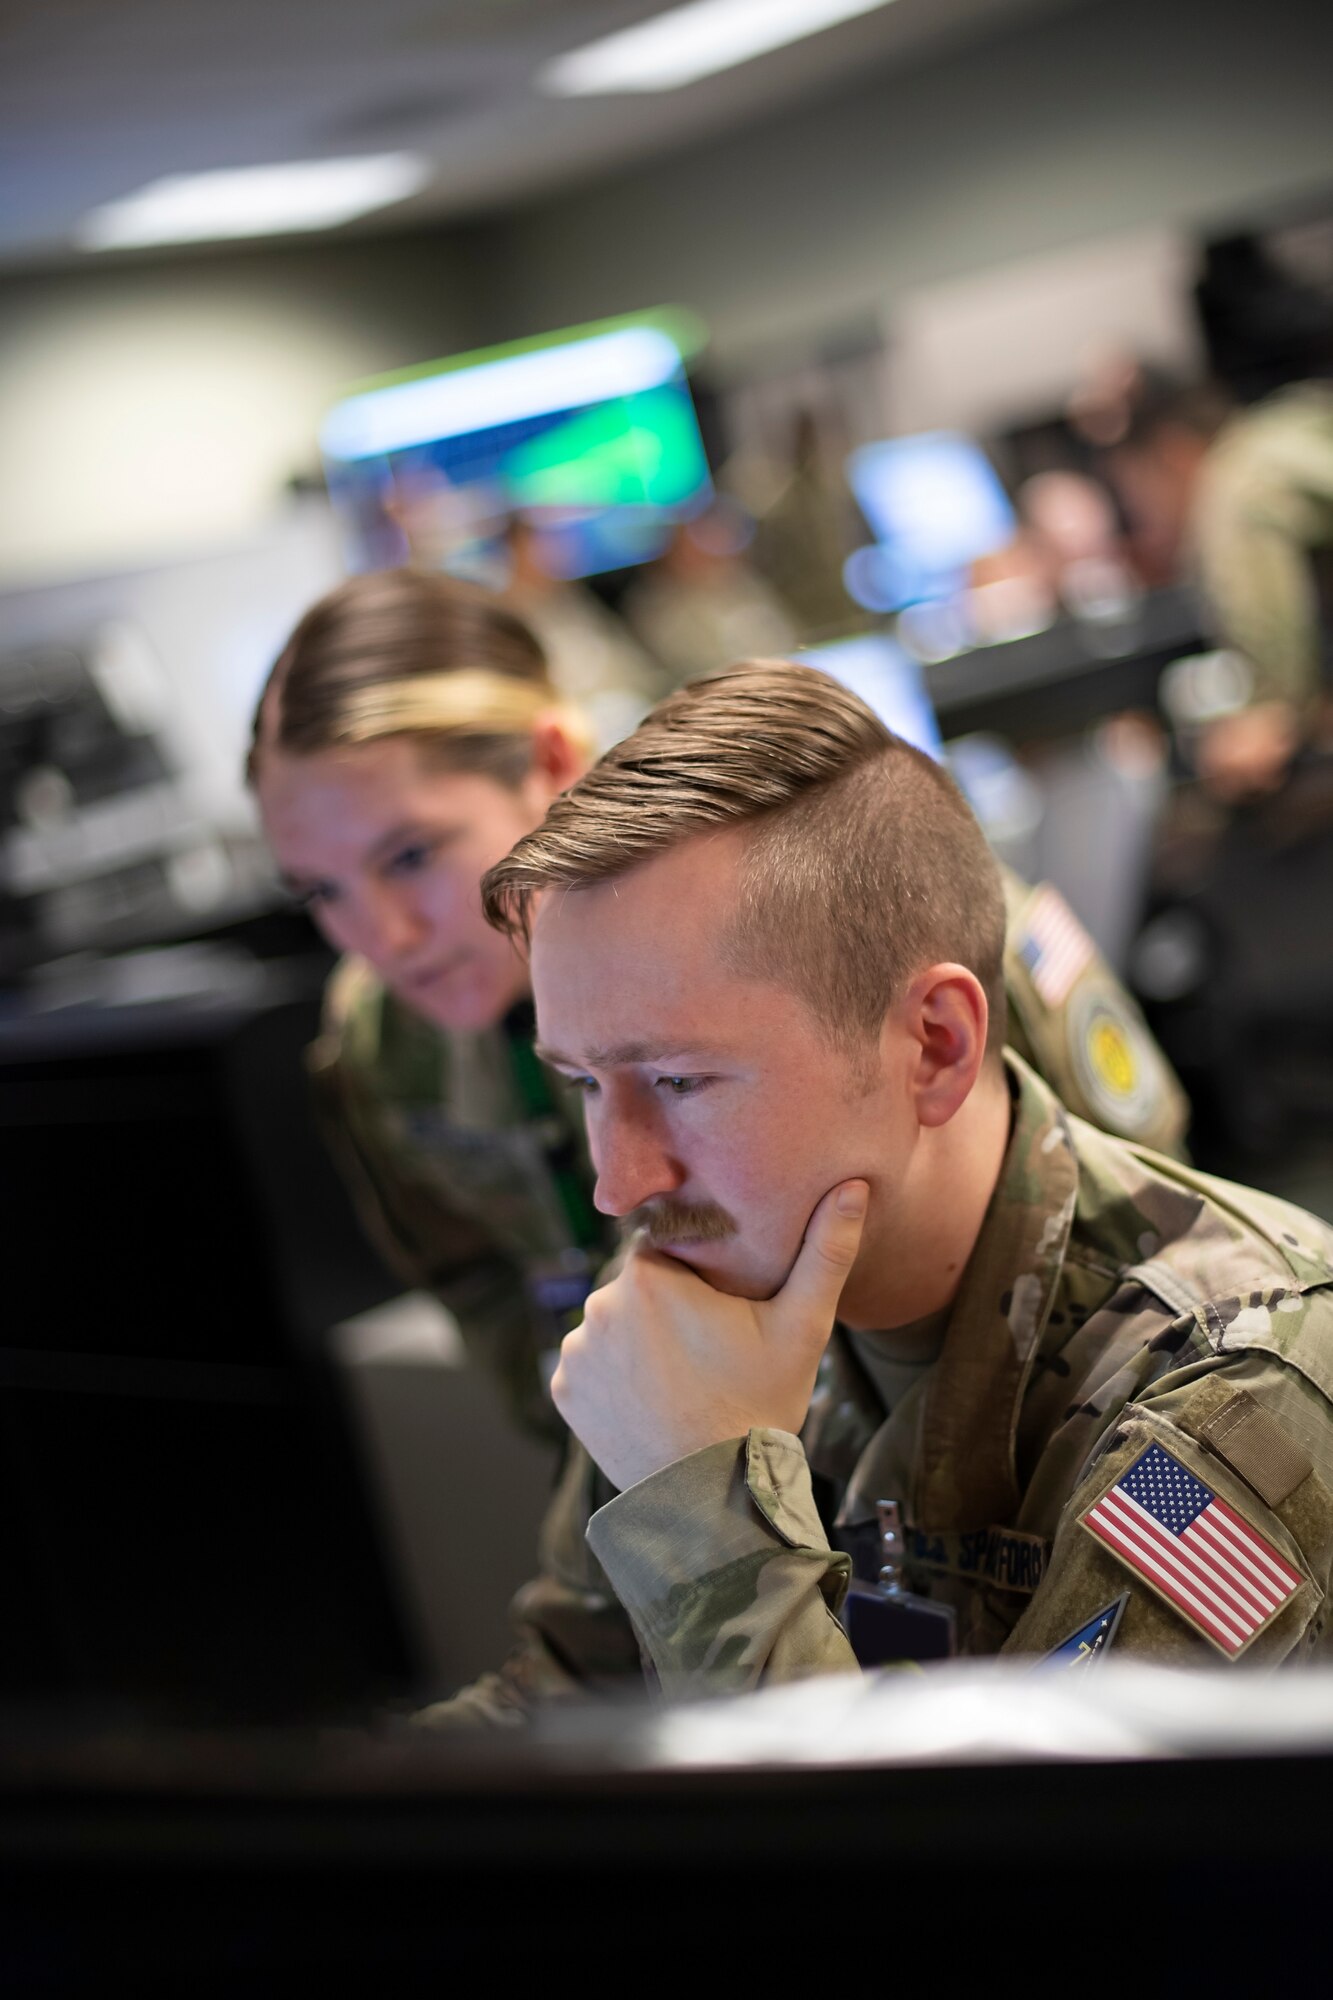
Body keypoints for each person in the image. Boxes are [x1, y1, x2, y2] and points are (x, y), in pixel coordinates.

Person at [462, 661, 1333, 1713]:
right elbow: (561, 1695)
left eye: (681, 1079)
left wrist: (702, 1506)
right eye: (583, 1082)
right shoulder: (711, 1259)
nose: (618, 1180)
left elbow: (977, 1863)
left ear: (933, 1045)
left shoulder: (1233, 1397)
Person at [248, 572, 1186, 1461]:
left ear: (549, 761)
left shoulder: (854, 922)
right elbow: (482, 1296)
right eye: (322, 892)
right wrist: (637, 1449)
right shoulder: (379, 1045)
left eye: (411, 856)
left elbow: (1140, 1227)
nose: (384, 936)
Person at [1102, 374, 1333, 803]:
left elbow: (1274, 705)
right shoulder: (1285, 427)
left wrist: (1269, 713)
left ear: (1172, 455)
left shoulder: (1233, 485)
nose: (1147, 524)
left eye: (1138, 497)